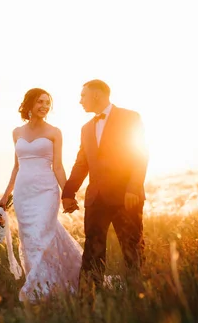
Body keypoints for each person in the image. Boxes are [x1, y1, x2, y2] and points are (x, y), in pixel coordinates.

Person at [0, 88, 83, 302]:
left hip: (46, 191)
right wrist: (6, 194)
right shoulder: (17, 132)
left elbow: (59, 167)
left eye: (47, 103)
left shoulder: (54, 132)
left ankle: (40, 286)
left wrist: (68, 194)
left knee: (43, 234)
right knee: (29, 239)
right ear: (29, 105)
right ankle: (43, 283)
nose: (44, 106)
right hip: (23, 194)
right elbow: (16, 167)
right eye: (40, 102)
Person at [61, 79, 149, 290]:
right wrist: (68, 192)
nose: (80, 100)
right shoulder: (86, 128)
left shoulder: (130, 117)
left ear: (97, 95)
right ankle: (89, 296)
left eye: (83, 95)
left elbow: (140, 154)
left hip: (126, 196)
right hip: (96, 198)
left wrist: (133, 188)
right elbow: (82, 163)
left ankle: (139, 294)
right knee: (92, 250)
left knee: (132, 248)